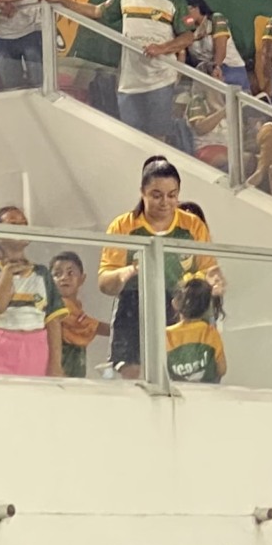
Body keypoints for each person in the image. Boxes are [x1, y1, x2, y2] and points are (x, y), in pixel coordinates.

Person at [52, 0, 196, 149]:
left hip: (160, 78)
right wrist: (62, 0)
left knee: (158, 137)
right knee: (131, 137)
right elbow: (96, 11)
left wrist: (163, 48)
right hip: (129, 80)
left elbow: (188, 35)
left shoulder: (175, 0)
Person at [97, 156, 219, 380]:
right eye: (156, 195)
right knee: (132, 376)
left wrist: (211, 284)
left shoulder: (192, 225)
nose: (165, 202)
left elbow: (209, 269)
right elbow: (105, 283)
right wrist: (126, 272)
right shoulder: (123, 226)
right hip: (134, 305)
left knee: (180, 378)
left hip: (182, 308)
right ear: (142, 192)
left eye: (172, 195)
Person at [0, 207, 63, 377]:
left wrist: (56, 364)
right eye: (13, 224)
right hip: (1, 344)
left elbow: (53, 321)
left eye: (24, 223)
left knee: (30, 396)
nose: (21, 227)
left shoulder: (42, 273)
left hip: (35, 345)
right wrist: (7, 273)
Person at [49, 251, 104, 378]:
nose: (64, 278)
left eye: (71, 273)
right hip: (59, 373)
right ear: (49, 281)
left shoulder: (77, 308)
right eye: (57, 274)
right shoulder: (56, 307)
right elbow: (89, 325)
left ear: (82, 279)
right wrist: (120, 329)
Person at [165, 275, 226, 384]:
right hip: (207, 395)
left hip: (177, 395)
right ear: (207, 307)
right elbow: (222, 369)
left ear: (175, 303)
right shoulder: (211, 333)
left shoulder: (166, 335)